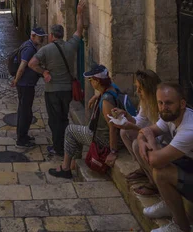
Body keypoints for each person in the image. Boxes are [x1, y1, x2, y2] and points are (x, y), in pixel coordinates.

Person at [134, 83, 193, 232]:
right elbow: (144, 131)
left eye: (168, 103)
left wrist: (150, 140)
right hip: (188, 165)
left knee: (161, 172)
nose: (163, 107)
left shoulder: (189, 128)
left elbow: (155, 160)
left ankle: (182, 227)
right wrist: (142, 140)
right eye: (160, 102)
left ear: (182, 104)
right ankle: (169, 202)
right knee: (136, 144)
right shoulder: (170, 116)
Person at [28, 2, 85, 157]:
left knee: (54, 120)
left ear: (52, 36)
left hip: (52, 90)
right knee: (64, 118)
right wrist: (79, 13)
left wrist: (44, 72)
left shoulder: (46, 49)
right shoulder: (71, 45)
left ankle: (57, 147)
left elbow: (32, 63)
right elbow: (79, 31)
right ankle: (66, 145)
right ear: (62, 34)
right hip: (67, 90)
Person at [48, 64, 120, 178]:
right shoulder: (112, 88)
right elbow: (107, 89)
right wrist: (96, 96)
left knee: (70, 130)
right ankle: (72, 165)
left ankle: (66, 167)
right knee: (77, 132)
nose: (90, 82)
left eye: (91, 80)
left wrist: (113, 151)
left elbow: (112, 127)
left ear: (97, 81)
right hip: (98, 133)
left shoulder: (106, 101)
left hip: (100, 138)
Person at [110, 69, 161, 196]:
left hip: (162, 142)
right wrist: (126, 115)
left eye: (140, 89)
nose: (137, 92)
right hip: (152, 136)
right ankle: (144, 169)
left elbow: (159, 132)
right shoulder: (146, 102)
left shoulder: (161, 103)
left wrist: (134, 127)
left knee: (137, 144)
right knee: (124, 132)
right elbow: (140, 122)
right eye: (137, 88)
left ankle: (154, 183)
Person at [11, 27, 46, 148]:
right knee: (25, 112)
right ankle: (21, 140)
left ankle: (24, 136)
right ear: (33, 36)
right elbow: (22, 66)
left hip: (26, 84)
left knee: (25, 111)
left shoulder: (28, 45)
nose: (42, 39)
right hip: (25, 85)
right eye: (39, 37)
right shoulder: (29, 49)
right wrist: (16, 80)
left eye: (43, 37)